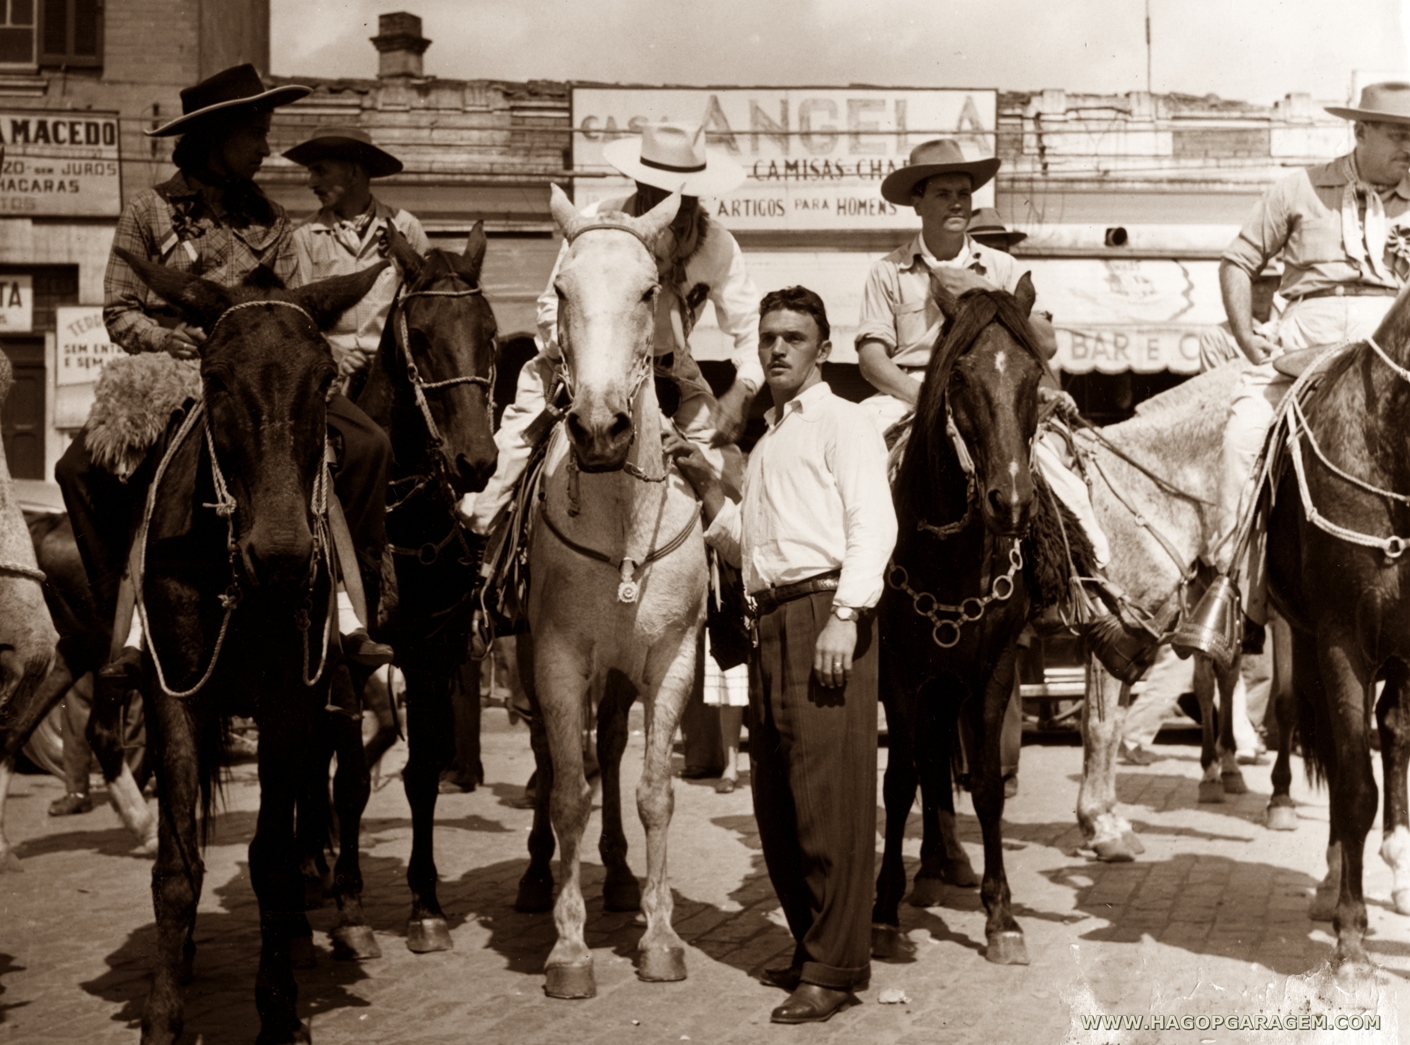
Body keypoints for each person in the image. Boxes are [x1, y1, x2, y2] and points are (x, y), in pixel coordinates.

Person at [56, 65, 389, 675]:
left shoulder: (274, 220)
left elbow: (292, 315)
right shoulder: (148, 211)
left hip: (264, 382)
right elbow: (118, 310)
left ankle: (355, 603)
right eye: (256, 135)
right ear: (214, 138)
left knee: (369, 443)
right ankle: (118, 622)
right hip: (171, 375)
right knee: (76, 468)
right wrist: (166, 339)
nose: (266, 148)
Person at [670, 286, 897, 1024]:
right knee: (778, 800)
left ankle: (835, 966)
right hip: (770, 618)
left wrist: (846, 614)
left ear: (822, 349)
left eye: (794, 337)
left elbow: (873, 524)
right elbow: (753, 548)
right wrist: (707, 482)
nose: (775, 348)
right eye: (768, 336)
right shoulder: (768, 440)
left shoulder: (844, 420)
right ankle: (811, 945)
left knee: (830, 796)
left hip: (825, 615)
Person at [853, 138, 1144, 683]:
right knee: (859, 465)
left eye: (964, 192)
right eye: (944, 193)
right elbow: (872, 357)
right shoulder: (887, 272)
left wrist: (984, 287)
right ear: (919, 203)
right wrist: (924, 401)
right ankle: (849, 600)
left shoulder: (1003, 266)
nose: (958, 203)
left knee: (1057, 474)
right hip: (908, 395)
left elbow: (1047, 343)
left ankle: (1084, 597)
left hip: (990, 400)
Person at [1178, 81, 1410, 655]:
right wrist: (1246, 337)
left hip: (1398, 338)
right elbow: (1238, 260)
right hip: (1311, 335)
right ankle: (1237, 596)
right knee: (1241, 438)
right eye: (1399, 135)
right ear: (1359, 131)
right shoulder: (1299, 188)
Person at [463, 120, 764, 535]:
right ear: (642, 186)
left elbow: (751, 326)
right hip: (575, 365)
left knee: (729, 478)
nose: (674, 206)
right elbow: (553, 303)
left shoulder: (717, 245)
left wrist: (743, 390)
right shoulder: (595, 222)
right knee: (501, 476)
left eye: (685, 195)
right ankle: (488, 569)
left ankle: (732, 587)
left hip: (669, 371)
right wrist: (579, 351)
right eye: (661, 192)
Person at [285, 125, 431, 653]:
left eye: (319, 171)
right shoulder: (305, 239)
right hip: (334, 377)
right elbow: (298, 314)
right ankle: (354, 572)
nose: (310, 182)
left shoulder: (405, 228)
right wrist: (330, 351)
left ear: (353, 171)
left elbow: (424, 304)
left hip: (395, 371)